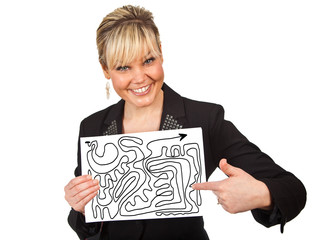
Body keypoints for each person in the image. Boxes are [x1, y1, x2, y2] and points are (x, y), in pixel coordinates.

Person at [64, 5, 306, 240]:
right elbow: (89, 226)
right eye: (123, 67)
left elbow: (293, 189)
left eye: (148, 60)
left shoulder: (204, 119)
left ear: (160, 52)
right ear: (106, 69)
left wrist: (261, 194)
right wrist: (81, 208)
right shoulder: (93, 127)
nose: (139, 78)